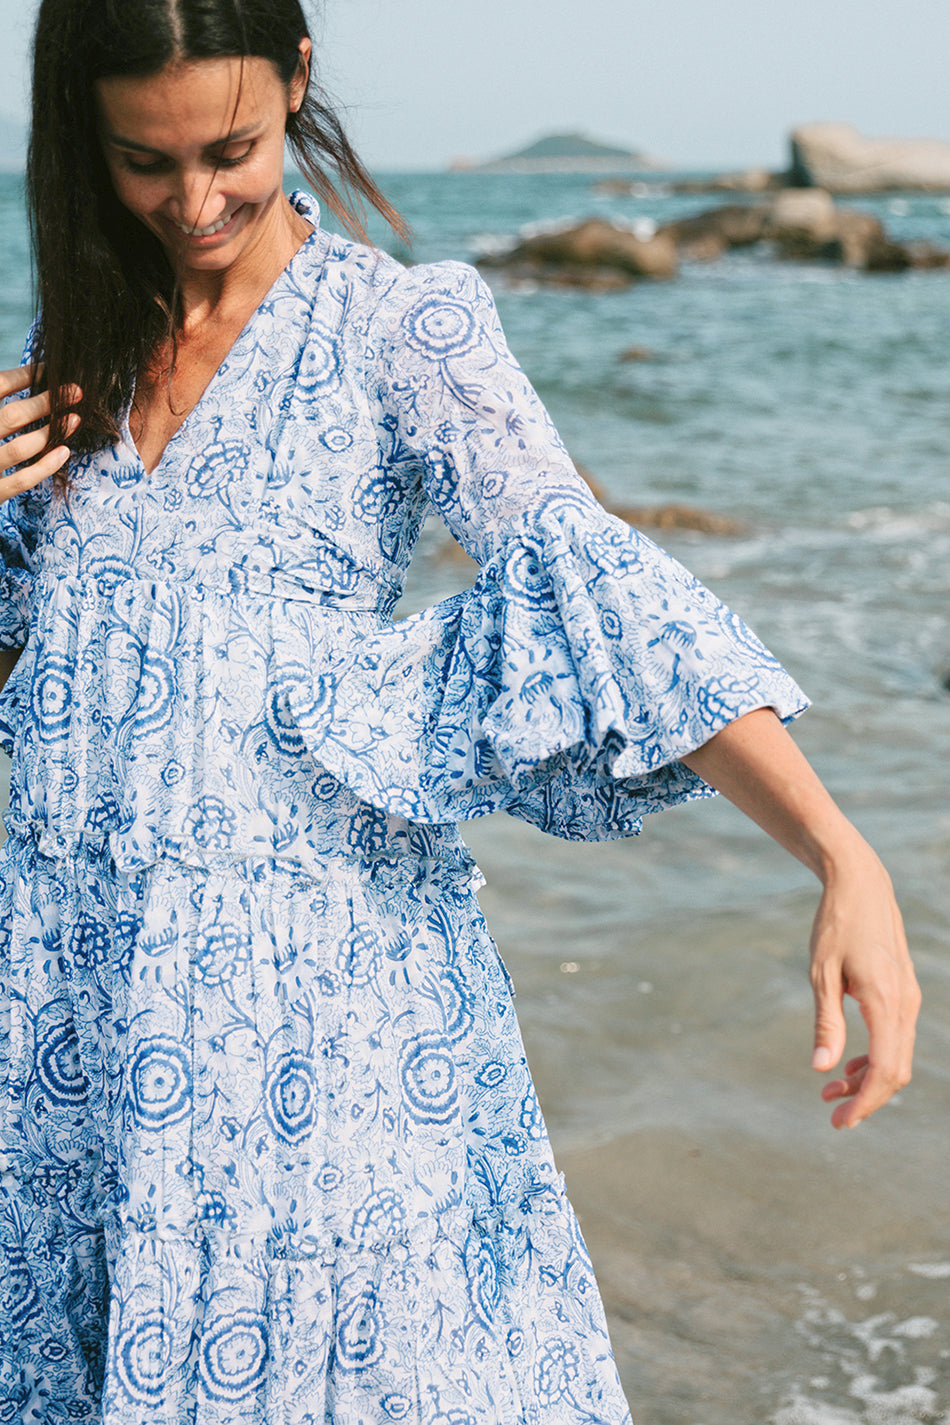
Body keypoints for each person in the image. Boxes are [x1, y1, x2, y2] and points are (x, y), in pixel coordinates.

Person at [0, 0, 919, 1420]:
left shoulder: (396, 328)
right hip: (74, 995)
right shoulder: (75, 341)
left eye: (231, 151)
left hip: (307, 998)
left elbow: (584, 576)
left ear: (298, 79)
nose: (193, 203)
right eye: (143, 162)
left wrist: (838, 852)